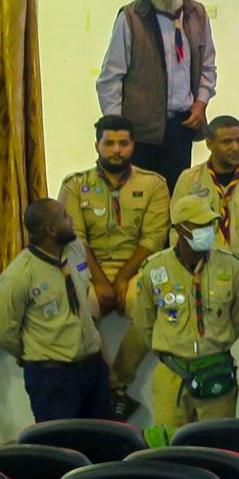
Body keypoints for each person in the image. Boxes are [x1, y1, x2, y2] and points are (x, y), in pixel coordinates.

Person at [113, 194, 239, 428]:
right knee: (171, 441)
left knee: (217, 441)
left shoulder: (231, 266)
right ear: (179, 229)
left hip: (215, 369)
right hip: (172, 373)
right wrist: (170, 346)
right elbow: (144, 323)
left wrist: (215, 344)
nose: (207, 231)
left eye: (209, 224)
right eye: (199, 225)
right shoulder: (155, 269)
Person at [97, 0, 216, 188]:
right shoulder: (131, 18)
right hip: (140, 133)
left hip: (181, 129)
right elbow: (110, 79)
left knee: (176, 197)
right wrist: (118, 130)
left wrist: (201, 102)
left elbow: (208, 67)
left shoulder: (197, 14)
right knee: (139, 198)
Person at [0, 199, 109, 422]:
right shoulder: (19, 275)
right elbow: (4, 334)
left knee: (102, 439)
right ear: (51, 230)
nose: (72, 220)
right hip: (52, 379)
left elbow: (83, 296)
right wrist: (32, 353)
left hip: (93, 370)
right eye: (65, 216)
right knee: (59, 441)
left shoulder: (76, 250)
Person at [62, 115, 172, 323]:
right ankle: (91, 347)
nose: (116, 150)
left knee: (146, 308)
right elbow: (75, 239)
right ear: (97, 146)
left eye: (123, 143)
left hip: (138, 270)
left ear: (133, 146)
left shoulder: (154, 185)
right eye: (109, 143)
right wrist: (99, 281)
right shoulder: (74, 185)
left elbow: (153, 239)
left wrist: (123, 278)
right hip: (88, 269)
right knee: (78, 309)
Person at [172, 116, 239, 273]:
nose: (236, 147)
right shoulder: (188, 179)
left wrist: (237, 272)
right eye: (227, 142)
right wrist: (192, 268)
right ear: (209, 143)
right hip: (198, 269)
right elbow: (177, 230)